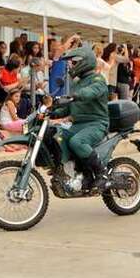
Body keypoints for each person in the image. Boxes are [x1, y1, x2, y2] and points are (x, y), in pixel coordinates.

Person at [49, 46, 111, 190]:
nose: (71, 65)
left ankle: (102, 173)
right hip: (78, 124)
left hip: (96, 124)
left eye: (74, 62)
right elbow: (69, 107)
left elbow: (91, 92)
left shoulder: (98, 79)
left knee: (77, 142)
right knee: (56, 135)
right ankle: (79, 172)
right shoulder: (77, 83)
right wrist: (52, 111)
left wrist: (76, 95)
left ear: (85, 62)